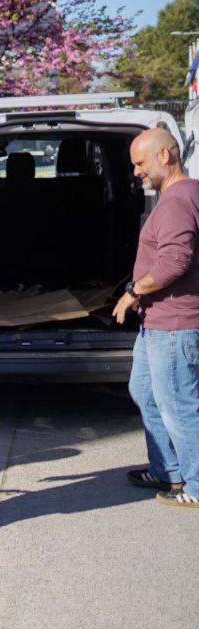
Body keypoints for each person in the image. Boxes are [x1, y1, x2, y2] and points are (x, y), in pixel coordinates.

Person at [114, 127, 199, 508]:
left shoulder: (178, 201)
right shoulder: (178, 196)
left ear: (165, 156)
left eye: (140, 163)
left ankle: (195, 485)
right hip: (158, 323)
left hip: (174, 325)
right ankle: (167, 469)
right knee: (144, 392)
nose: (136, 172)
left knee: (179, 405)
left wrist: (133, 292)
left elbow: (175, 261)